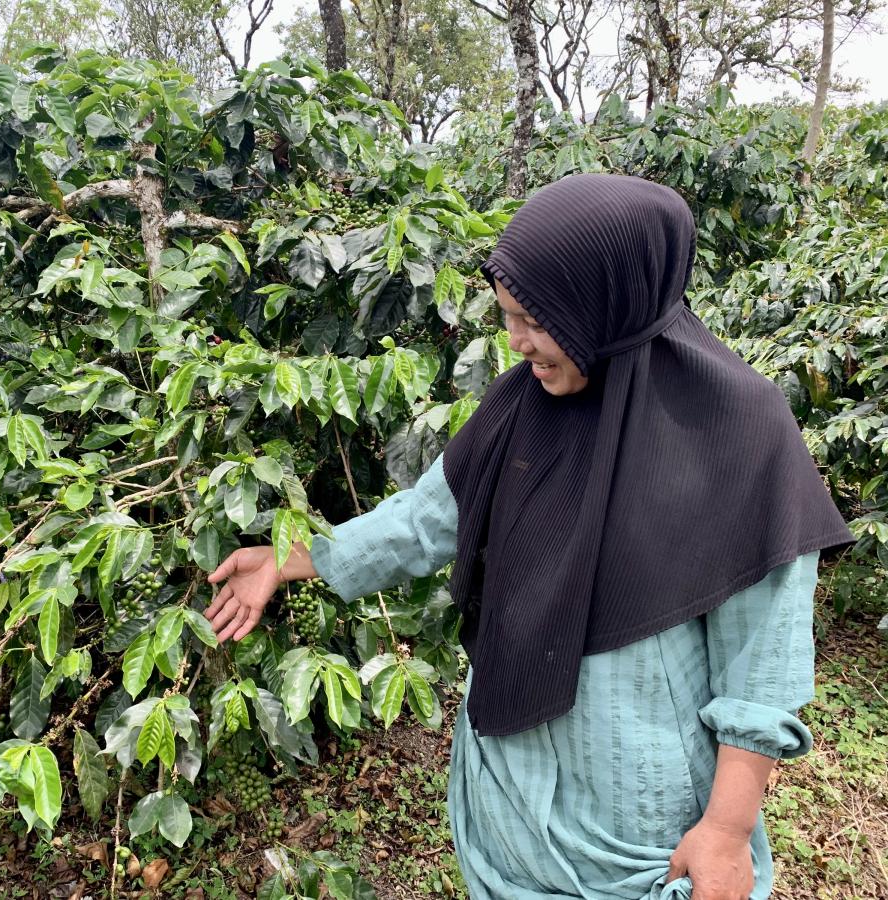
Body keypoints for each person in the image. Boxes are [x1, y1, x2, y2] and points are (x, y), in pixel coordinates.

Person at [204, 174, 852, 900]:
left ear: (603, 303)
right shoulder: (522, 403)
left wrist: (727, 832)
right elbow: (426, 518)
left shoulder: (741, 429)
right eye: (508, 317)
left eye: (537, 320)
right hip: (509, 801)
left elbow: (762, 665)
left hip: (639, 826)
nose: (517, 342)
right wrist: (293, 560)